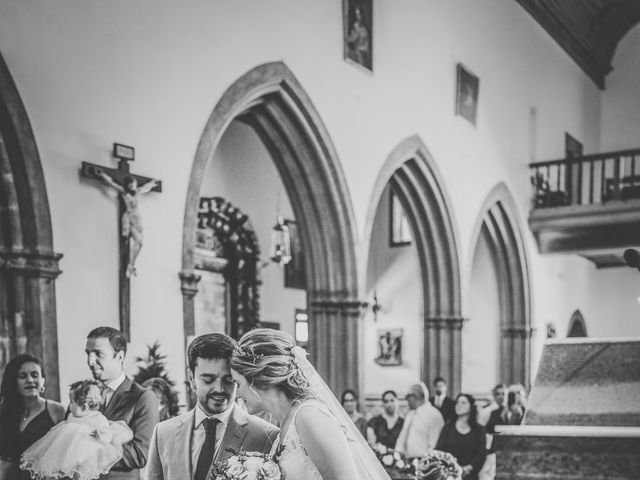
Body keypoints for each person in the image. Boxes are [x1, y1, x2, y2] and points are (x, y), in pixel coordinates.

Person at [230, 328, 391, 480]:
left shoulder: (308, 416)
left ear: (257, 377)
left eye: (238, 383)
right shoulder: (284, 425)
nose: (237, 393)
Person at [147, 333, 278, 480]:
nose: (219, 389)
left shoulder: (266, 436)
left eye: (228, 380)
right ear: (191, 379)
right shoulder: (163, 433)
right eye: (208, 380)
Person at [20, 379, 133, 480]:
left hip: (85, 453)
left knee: (79, 473)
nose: (69, 406)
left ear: (85, 406)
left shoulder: (98, 418)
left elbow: (107, 434)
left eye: (72, 402)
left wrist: (100, 435)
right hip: (67, 453)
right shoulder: (71, 417)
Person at [85, 327, 159, 480]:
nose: (90, 361)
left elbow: (140, 454)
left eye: (98, 354)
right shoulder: (83, 394)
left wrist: (86, 452)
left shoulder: (143, 397)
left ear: (119, 356)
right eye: (88, 354)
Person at [0, 354, 65, 480]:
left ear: (43, 380)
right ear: (14, 381)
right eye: (22, 376)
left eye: (35, 375)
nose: (30, 380)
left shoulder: (56, 411)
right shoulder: (4, 414)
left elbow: (66, 456)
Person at [94, 169, 159, 277]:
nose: (133, 187)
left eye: (134, 185)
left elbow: (145, 188)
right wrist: (103, 175)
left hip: (138, 219)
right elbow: (111, 183)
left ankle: (131, 265)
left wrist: (152, 183)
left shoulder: (137, 191)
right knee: (134, 242)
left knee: (140, 244)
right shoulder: (124, 192)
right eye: (131, 185)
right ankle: (130, 265)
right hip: (129, 219)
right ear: (128, 185)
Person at [435, 394, 486, 480]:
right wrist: (452, 469)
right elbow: (439, 450)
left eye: (463, 403)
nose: (459, 405)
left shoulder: (479, 430)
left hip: (470, 475)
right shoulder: (448, 427)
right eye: (457, 402)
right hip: (449, 475)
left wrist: (469, 468)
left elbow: (481, 454)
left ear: (471, 407)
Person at [395, 383, 444, 458]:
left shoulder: (434, 415)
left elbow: (434, 445)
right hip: (405, 461)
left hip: (423, 461)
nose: (406, 399)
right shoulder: (410, 414)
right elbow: (402, 438)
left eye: (408, 396)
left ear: (416, 396)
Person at [478, 385, 507, 480]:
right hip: (490, 449)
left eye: (503, 394)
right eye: (498, 394)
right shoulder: (488, 410)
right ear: (494, 396)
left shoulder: (510, 411)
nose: (501, 397)